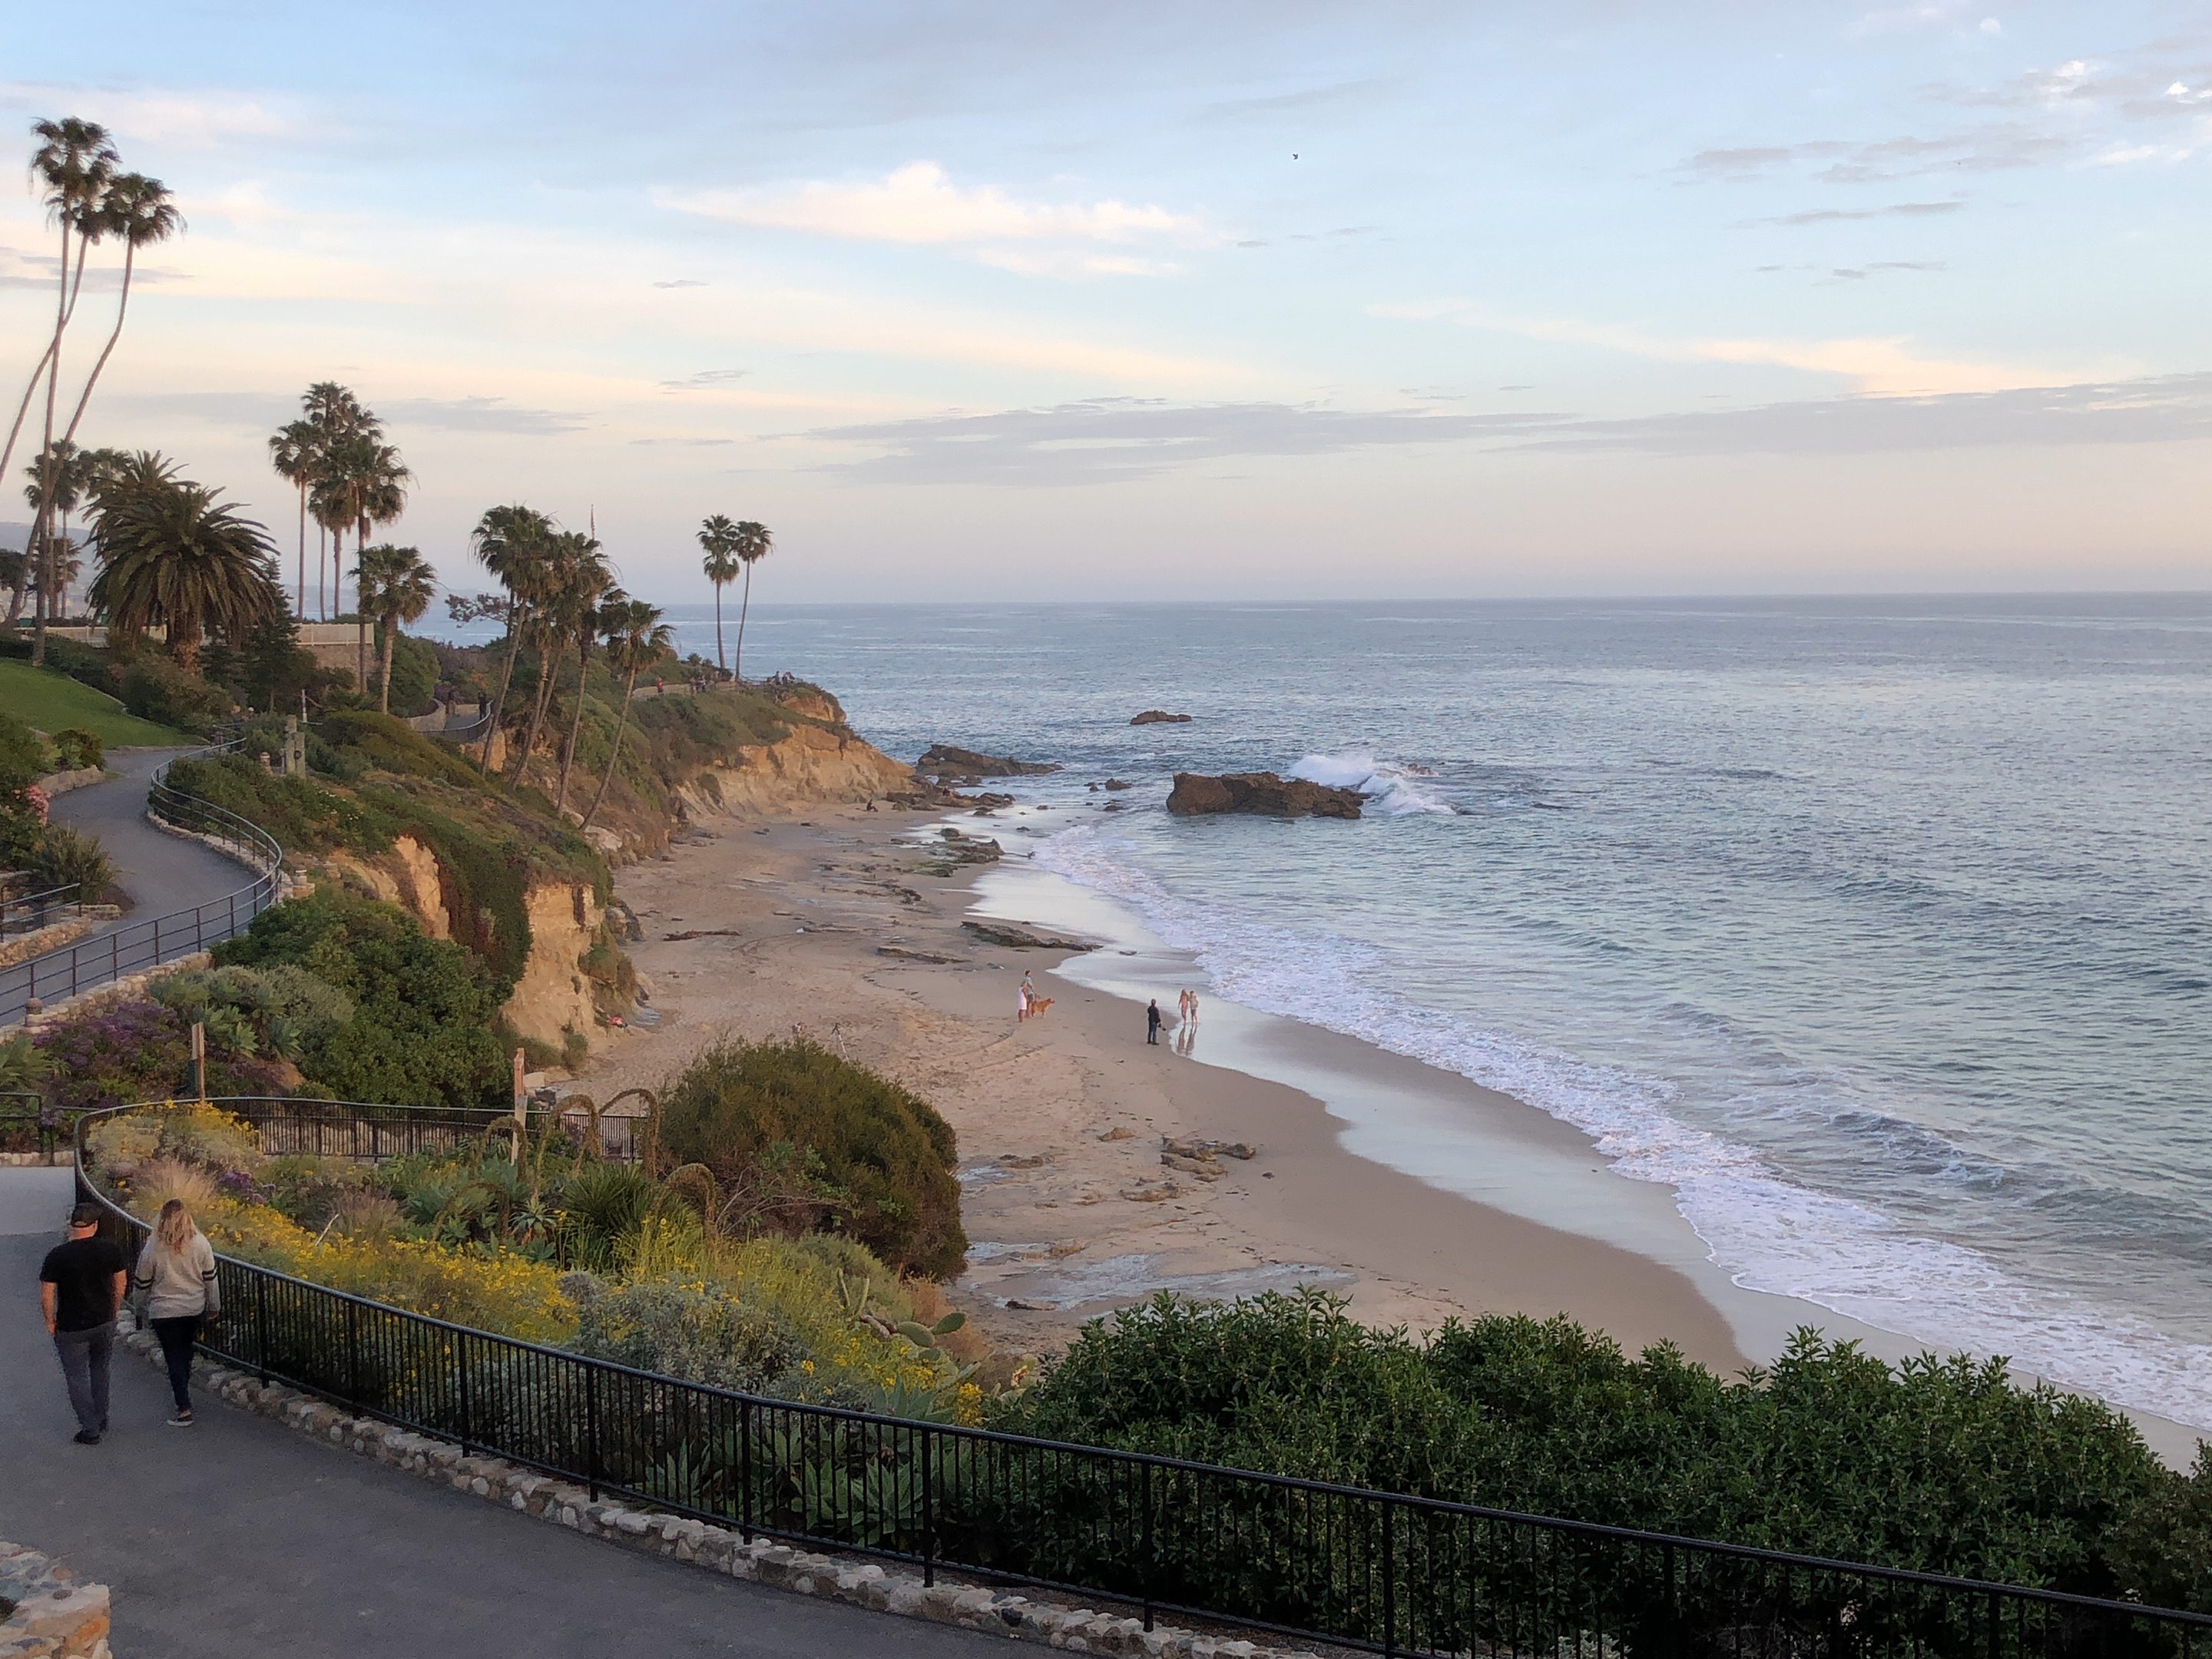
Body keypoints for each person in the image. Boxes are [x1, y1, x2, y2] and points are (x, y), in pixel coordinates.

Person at [39, 1203, 126, 1445]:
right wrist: (115, 1310)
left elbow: (47, 1294)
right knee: (100, 1370)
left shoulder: (58, 1255)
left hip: (71, 1326)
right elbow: (120, 1283)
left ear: (72, 1227)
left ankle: (90, 1428)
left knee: (76, 1377)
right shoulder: (111, 1251)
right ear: (95, 1225)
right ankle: (101, 1417)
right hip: (103, 1320)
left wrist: (50, 1321)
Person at [133, 1197, 220, 1426]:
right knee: (186, 1352)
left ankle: (183, 1406)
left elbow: (142, 1283)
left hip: (163, 1311)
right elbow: (210, 1278)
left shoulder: (153, 1247)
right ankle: (184, 1395)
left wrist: (138, 1306)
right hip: (192, 1308)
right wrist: (214, 1305)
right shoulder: (201, 1243)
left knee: (173, 1357)